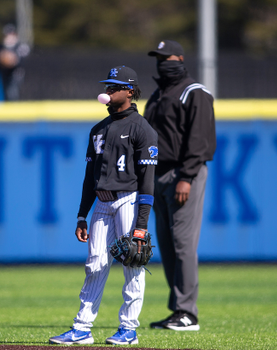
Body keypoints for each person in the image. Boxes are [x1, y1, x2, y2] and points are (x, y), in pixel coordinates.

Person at [49, 66, 158, 345]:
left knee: (133, 262)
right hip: (101, 203)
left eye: (114, 86)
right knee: (94, 265)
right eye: (108, 86)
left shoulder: (142, 128)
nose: (108, 90)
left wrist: (141, 225)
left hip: (128, 201)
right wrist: (81, 215)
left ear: (129, 91)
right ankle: (82, 328)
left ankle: (129, 329)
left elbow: (147, 181)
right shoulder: (98, 129)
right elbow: (89, 177)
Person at [143, 40, 216, 331]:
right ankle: (178, 311)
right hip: (157, 175)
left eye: (167, 56)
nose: (163, 62)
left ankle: (188, 312)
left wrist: (186, 176)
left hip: (183, 174)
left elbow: (200, 140)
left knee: (184, 244)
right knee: (168, 244)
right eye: (159, 57)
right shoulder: (158, 93)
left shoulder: (194, 92)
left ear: (181, 58)